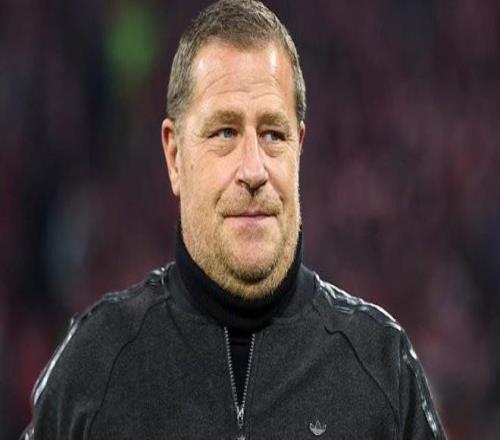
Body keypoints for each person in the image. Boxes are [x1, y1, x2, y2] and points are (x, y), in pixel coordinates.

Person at [21, 1, 447, 439]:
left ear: (299, 150)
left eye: (273, 134)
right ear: (175, 156)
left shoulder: (382, 365)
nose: (254, 170)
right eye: (225, 132)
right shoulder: (95, 364)